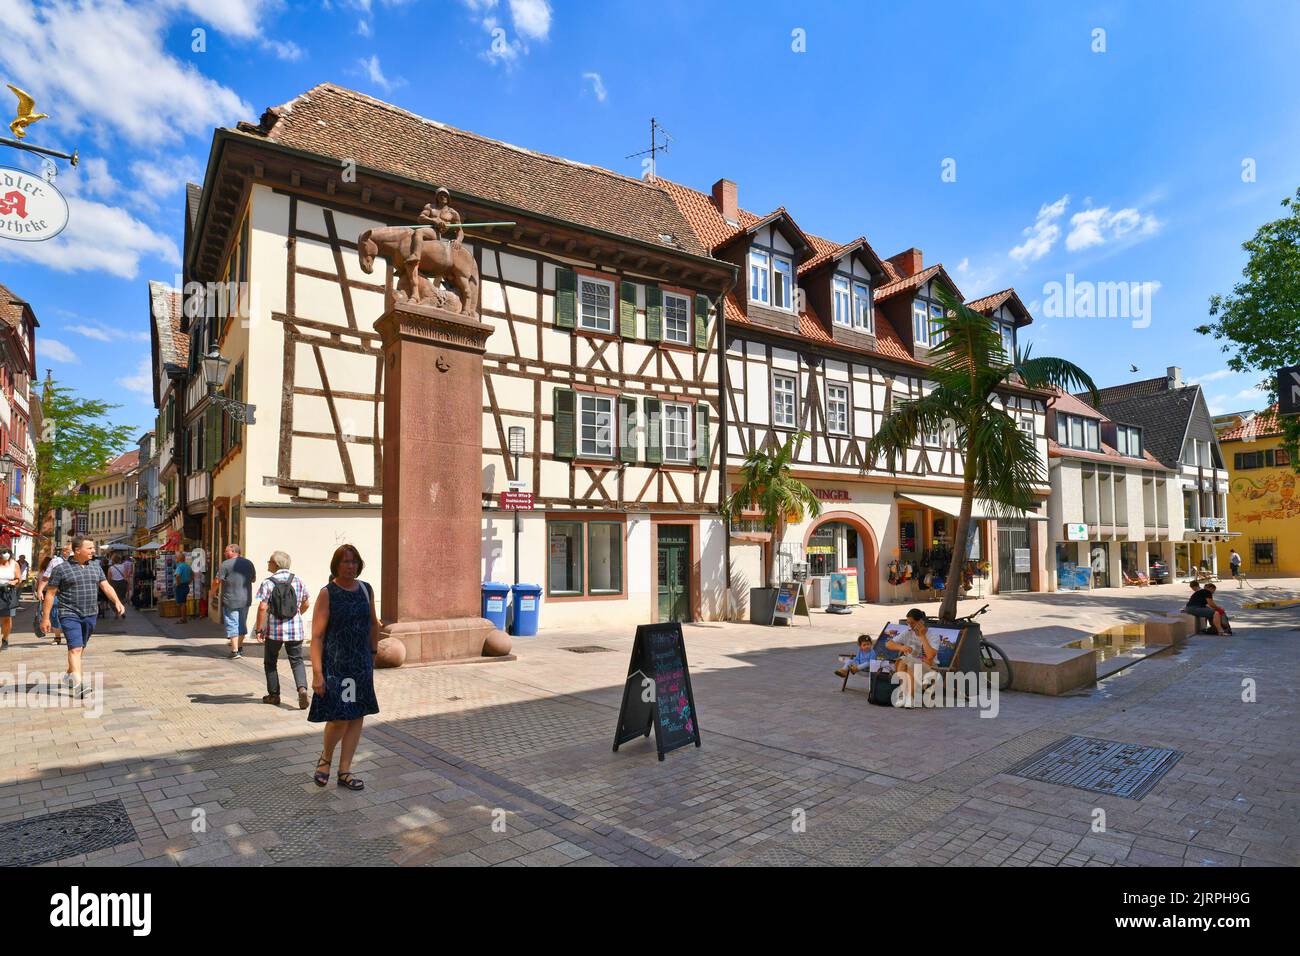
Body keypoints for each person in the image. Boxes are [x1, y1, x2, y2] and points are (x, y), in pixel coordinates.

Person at [308, 544, 380, 790]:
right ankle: (325, 758)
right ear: (336, 565)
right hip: (336, 666)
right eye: (345, 562)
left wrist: (373, 652)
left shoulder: (366, 590)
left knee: (356, 715)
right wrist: (317, 673)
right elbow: (316, 637)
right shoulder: (328, 593)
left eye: (354, 562)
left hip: (360, 664)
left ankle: (345, 771)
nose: (350, 566)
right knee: (339, 717)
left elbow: (373, 624)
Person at [41, 536, 125, 698]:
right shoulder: (61, 569)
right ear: (77, 550)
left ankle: (70, 674)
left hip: (90, 613)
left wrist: (117, 602)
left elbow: (105, 586)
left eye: (93, 548)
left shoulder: (96, 566)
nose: (93, 551)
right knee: (75, 648)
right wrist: (46, 618)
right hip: (69, 613)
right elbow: (50, 594)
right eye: (90, 548)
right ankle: (79, 685)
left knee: (80, 647)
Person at [252, 550, 311, 707]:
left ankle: (274, 695)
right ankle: (302, 689)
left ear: (276, 564)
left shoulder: (268, 582)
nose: (268, 564)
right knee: (297, 661)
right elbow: (306, 603)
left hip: (274, 630)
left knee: (270, 662)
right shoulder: (298, 580)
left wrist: (259, 629)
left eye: (269, 562)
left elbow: (263, 607)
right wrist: (295, 615)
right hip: (295, 629)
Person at [211, 543, 257, 660]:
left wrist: (212, 592)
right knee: (242, 623)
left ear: (233, 552)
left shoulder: (225, 564)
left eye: (226, 551)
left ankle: (234, 650)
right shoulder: (249, 563)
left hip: (230, 599)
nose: (225, 553)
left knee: (232, 623)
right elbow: (253, 579)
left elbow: (217, 581)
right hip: (245, 599)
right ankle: (240, 648)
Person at [886, 609, 938, 708]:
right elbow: (888, 644)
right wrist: (901, 647)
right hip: (912, 664)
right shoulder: (908, 632)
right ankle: (906, 696)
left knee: (909, 663)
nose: (909, 625)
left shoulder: (933, 635)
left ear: (921, 622)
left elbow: (931, 656)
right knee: (904, 661)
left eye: (912, 623)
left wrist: (922, 636)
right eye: (908, 623)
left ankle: (908, 696)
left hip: (929, 666)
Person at [36, 546, 70, 644]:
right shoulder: (55, 561)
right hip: (56, 592)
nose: (71, 553)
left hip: (72, 593)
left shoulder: (80, 561)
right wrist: (40, 590)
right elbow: (46, 577)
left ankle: (70, 636)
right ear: (64, 552)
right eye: (69, 551)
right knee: (55, 614)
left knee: (70, 615)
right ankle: (57, 637)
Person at [0, 547, 19, 650]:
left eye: (8, 553)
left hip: (8, 593)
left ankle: (5, 638)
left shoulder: (13, 564)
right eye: (3, 553)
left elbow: (18, 578)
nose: (6, 555)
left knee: (7, 618)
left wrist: (13, 582)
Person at [173, 552, 193, 624]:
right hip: (185, 585)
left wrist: (178, 583)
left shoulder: (180, 566)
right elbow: (192, 574)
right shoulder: (187, 566)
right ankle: (184, 617)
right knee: (183, 602)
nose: (175, 559)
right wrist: (189, 581)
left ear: (179, 559)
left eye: (176, 558)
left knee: (182, 603)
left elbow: (178, 575)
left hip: (181, 586)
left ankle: (183, 619)